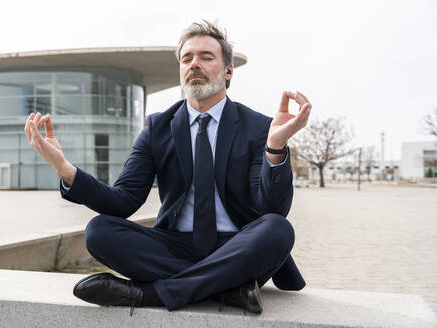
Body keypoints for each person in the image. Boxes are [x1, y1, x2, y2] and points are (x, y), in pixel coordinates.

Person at [24, 20, 311, 315]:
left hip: (238, 245)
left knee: (277, 229)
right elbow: (123, 201)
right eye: (187, 59)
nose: (194, 64)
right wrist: (66, 170)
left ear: (228, 71)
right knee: (99, 231)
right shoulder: (157, 128)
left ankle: (150, 294)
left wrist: (275, 149)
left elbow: (270, 208)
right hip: (175, 246)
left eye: (206, 57)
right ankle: (230, 287)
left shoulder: (258, 127)